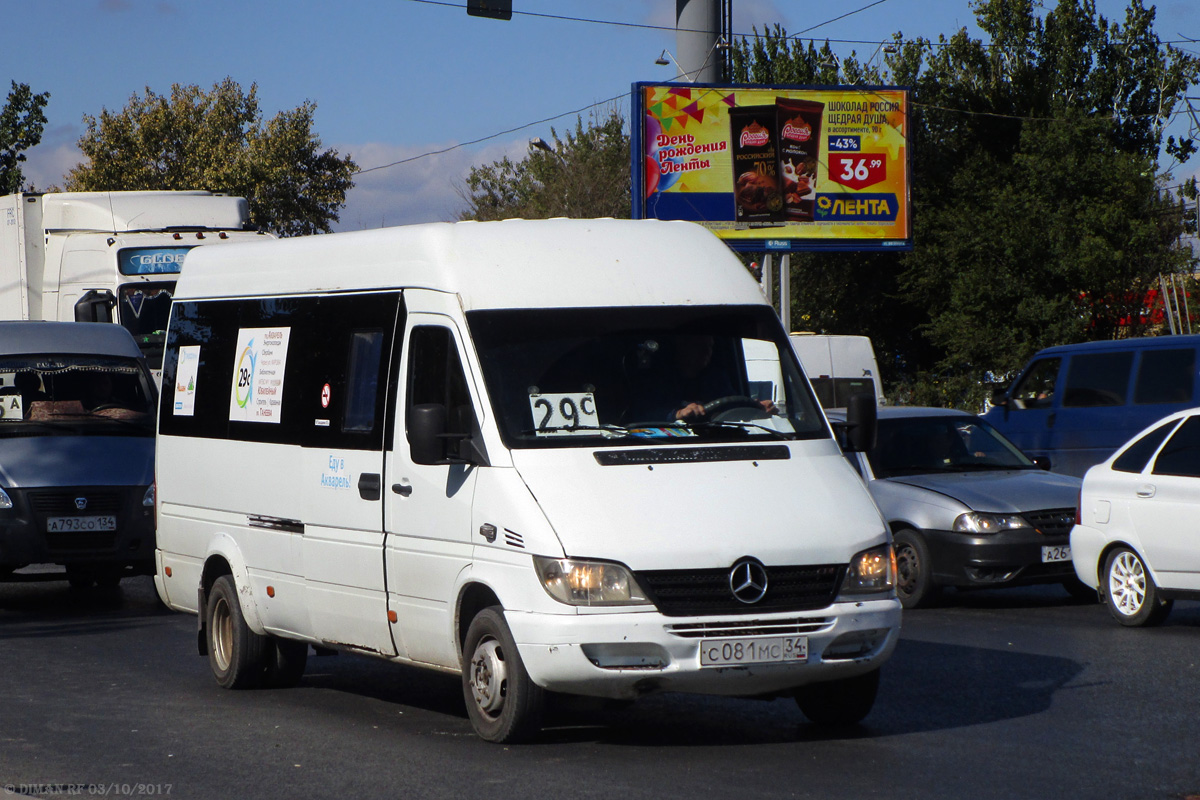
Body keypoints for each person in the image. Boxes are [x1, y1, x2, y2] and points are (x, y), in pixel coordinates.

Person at [636, 334, 775, 422]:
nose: (706, 351)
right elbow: (644, 414)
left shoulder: (715, 378)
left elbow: (731, 404)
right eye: (699, 346)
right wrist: (677, 414)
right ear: (681, 346)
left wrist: (754, 407)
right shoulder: (659, 379)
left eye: (710, 347)